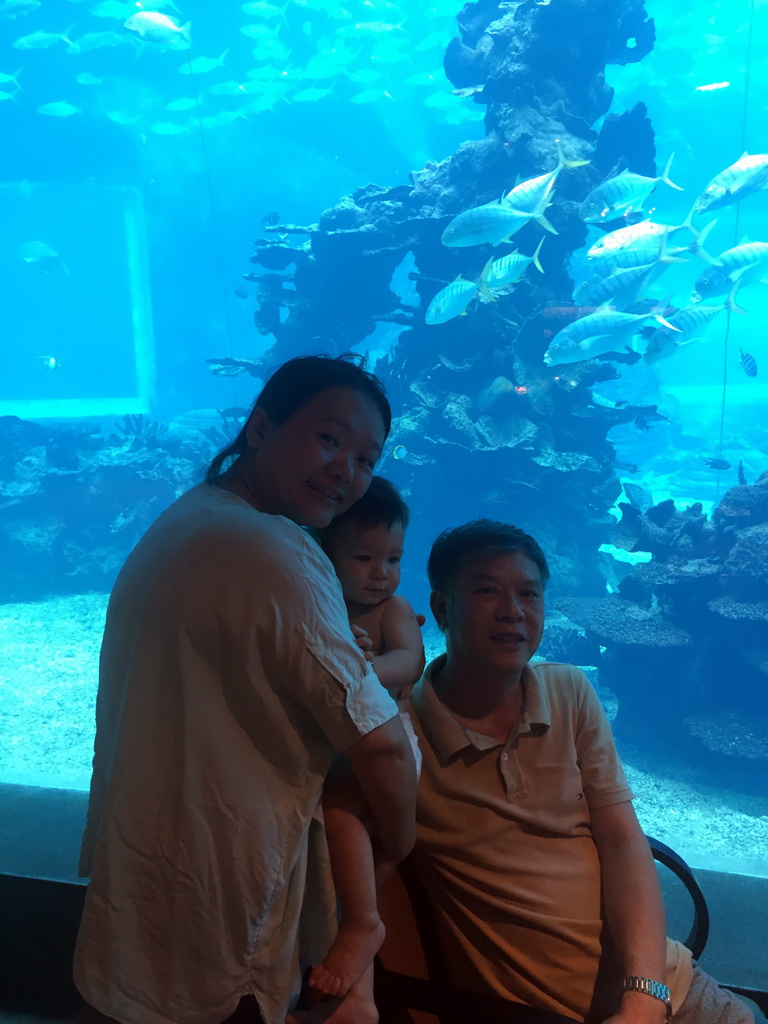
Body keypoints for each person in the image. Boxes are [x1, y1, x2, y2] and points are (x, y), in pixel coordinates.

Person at [73, 354, 418, 1024]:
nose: (347, 470)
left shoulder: (190, 516)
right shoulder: (273, 551)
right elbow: (380, 748)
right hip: (227, 902)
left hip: (149, 872)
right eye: (328, 438)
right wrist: (400, 842)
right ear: (260, 428)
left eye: (367, 458)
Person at [401, 519, 761, 1024]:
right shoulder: (400, 731)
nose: (513, 611)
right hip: (543, 1008)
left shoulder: (570, 692)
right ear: (442, 606)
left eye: (529, 593)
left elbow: (621, 841)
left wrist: (642, 994)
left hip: (655, 978)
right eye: (487, 590)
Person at [310, 477, 425, 998]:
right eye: (364, 558)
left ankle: (361, 924)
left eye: (394, 559)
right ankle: (351, 932)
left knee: (341, 809)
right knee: (346, 840)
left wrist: (362, 665)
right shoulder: (321, 605)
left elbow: (411, 661)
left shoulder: (391, 609)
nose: (383, 574)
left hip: (390, 737)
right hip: (343, 739)